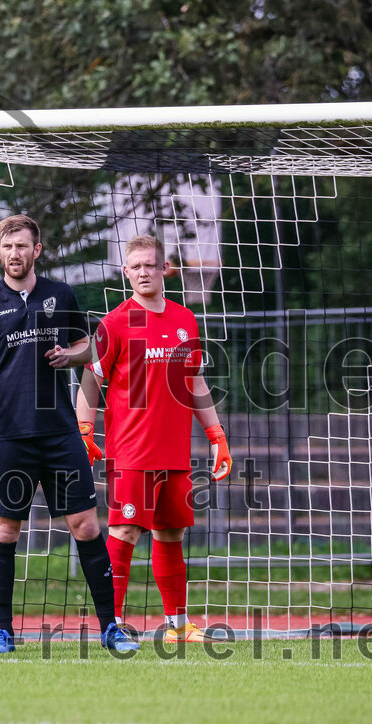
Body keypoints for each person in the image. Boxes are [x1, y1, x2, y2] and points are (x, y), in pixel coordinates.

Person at [0, 214, 139, 654]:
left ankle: (111, 628)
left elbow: (93, 347)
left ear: (37, 250)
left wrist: (71, 358)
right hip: (11, 436)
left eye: (22, 246)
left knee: (87, 525)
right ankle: (3, 633)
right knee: (4, 530)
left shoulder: (61, 294)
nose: (14, 253)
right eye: (7, 246)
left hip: (59, 433)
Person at [76, 234, 233, 642]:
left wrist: (216, 434)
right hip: (131, 453)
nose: (144, 272)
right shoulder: (114, 323)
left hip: (176, 453)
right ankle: (112, 625)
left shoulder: (185, 319)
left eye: (151, 264)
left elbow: (194, 380)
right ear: (126, 273)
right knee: (123, 534)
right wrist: (85, 428)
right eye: (136, 266)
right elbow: (91, 379)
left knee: (171, 534)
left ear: (165, 269)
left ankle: (177, 627)